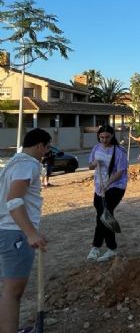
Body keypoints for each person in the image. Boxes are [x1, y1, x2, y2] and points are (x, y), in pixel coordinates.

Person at [0, 128, 51, 333]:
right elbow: (14, 200)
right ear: (39, 145)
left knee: (7, 291)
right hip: (15, 234)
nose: (46, 152)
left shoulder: (13, 162)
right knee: (13, 292)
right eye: (46, 148)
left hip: (7, 231)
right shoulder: (28, 164)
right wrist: (30, 232)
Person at [87, 125, 128, 261]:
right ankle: (102, 247)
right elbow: (90, 166)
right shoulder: (96, 148)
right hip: (99, 186)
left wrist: (108, 184)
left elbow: (120, 171)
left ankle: (104, 247)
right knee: (102, 215)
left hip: (115, 186)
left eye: (107, 137)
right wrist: (94, 163)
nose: (104, 140)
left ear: (112, 136)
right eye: (102, 137)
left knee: (104, 215)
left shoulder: (119, 151)